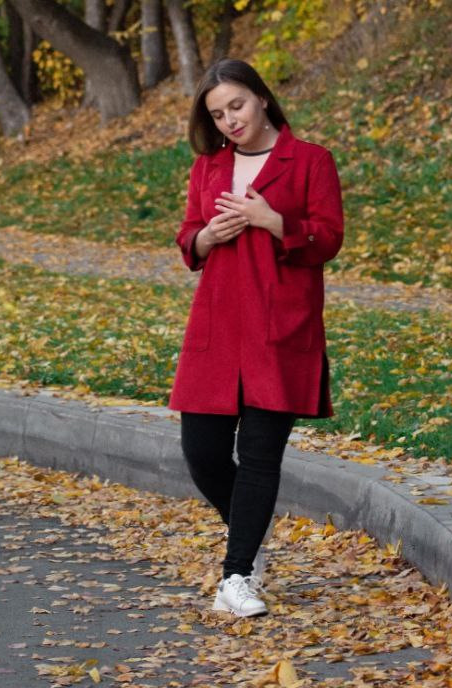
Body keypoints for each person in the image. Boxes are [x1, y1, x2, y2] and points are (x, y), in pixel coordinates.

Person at [168, 58, 344, 618]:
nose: (229, 120)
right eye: (217, 114)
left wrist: (275, 222)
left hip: (280, 329)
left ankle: (236, 575)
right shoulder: (208, 169)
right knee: (203, 456)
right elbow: (187, 237)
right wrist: (205, 237)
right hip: (217, 328)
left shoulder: (311, 161)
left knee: (261, 457)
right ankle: (250, 534)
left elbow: (329, 239)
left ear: (262, 98)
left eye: (236, 105)